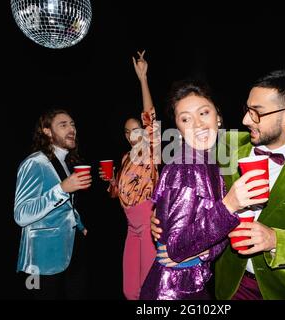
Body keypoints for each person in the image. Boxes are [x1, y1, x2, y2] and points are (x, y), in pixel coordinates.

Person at [152, 70, 285, 300]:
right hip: (233, 287)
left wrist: (276, 240)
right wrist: (163, 211)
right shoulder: (225, 146)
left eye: (257, 113)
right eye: (247, 110)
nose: (246, 120)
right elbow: (184, 178)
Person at [139, 80, 269, 300]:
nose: (197, 124)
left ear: (217, 116)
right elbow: (176, 249)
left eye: (203, 113)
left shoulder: (212, 159)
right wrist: (230, 205)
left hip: (193, 283)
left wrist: (205, 252)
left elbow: (207, 237)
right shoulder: (186, 166)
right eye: (185, 119)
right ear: (178, 129)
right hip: (173, 291)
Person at [100, 51, 159, 300]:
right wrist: (112, 183)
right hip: (130, 227)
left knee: (148, 288)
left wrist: (143, 78)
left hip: (146, 225)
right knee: (128, 290)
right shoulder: (125, 159)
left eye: (136, 130)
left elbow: (150, 116)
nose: (132, 135)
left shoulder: (151, 150)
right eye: (127, 132)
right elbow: (117, 195)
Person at [14, 109, 91, 299]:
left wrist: (80, 226)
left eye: (72, 124)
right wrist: (62, 189)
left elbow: (65, 206)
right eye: (63, 125)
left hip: (70, 250)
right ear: (47, 131)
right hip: (41, 261)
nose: (71, 129)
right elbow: (21, 214)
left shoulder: (64, 162)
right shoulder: (34, 163)